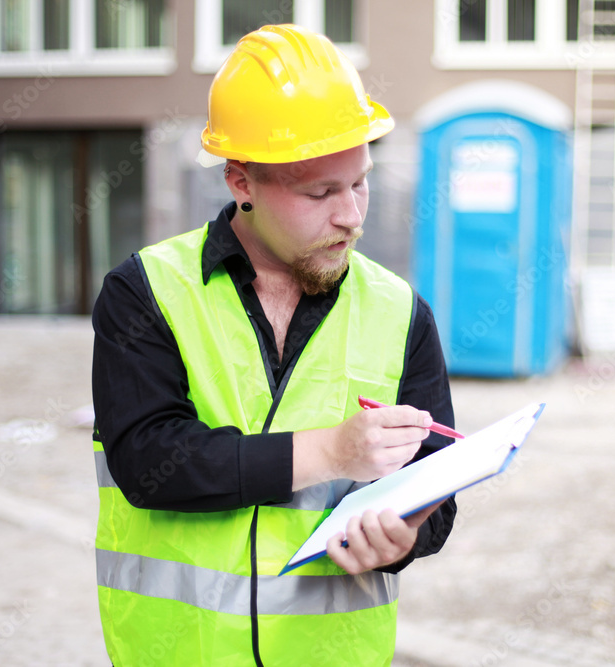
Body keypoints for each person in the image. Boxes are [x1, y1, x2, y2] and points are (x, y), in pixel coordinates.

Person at [90, 24, 457, 666]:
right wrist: (331, 452)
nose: (351, 215)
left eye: (360, 182)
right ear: (242, 183)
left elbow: (437, 490)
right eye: (321, 192)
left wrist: (403, 538)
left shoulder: (401, 312)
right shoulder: (146, 291)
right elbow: (148, 461)